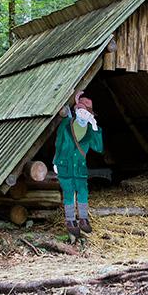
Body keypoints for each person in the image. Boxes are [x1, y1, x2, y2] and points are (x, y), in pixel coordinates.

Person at [53, 91, 102, 241]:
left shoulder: (90, 130)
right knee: (68, 192)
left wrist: (94, 127)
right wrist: (55, 161)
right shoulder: (66, 125)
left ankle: (83, 218)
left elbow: (98, 147)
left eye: (86, 112)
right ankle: (70, 220)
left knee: (82, 191)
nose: (83, 114)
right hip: (65, 165)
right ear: (75, 110)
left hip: (80, 167)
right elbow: (59, 143)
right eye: (80, 110)